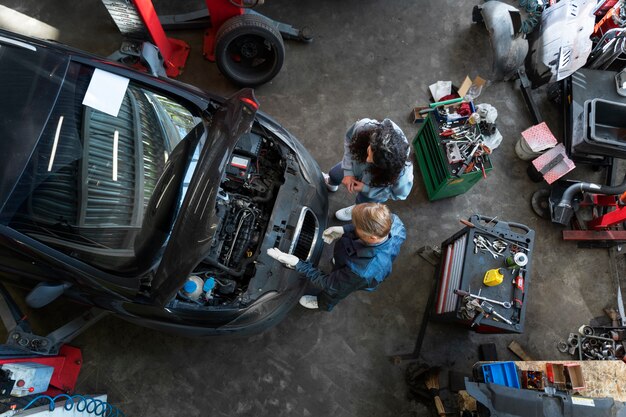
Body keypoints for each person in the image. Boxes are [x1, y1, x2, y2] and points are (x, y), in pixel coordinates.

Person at [266, 203, 406, 311]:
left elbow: (330, 284)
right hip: (350, 261)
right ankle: (340, 266)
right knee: (341, 271)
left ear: (372, 237)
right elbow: (366, 227)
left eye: (356, 227)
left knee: (333, 292)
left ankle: (322, 304)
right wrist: (345, 229)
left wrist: (298, 263)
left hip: (354, 278)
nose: (353, 226)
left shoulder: (361, 271)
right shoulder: (393, 221)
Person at [325, 118, 414, 221]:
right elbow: (349, 140)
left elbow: (399, 195)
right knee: (334, 174)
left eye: (375, 162)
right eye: (369, 152)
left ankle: (356, 209)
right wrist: (348, 171)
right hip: (354, 166)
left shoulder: (403, 174)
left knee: (363, 201)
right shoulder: (364, 127)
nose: (367, 159)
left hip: (373, 188)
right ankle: (330, 183)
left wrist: (366, 189)